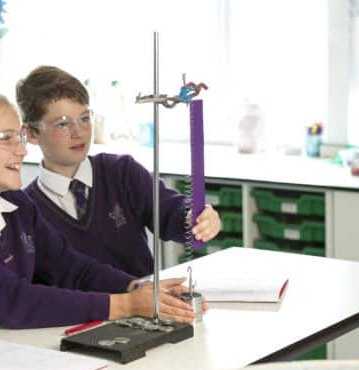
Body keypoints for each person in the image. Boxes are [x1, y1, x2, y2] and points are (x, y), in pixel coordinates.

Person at [0, 91, 196, 352]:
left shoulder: (17, 204)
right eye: (6, 139)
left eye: (20, 137)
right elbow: (12, 302)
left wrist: (137, 288)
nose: (22, 150)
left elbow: (72, 270)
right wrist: (125, 306)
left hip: (13, 349)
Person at [16, 66, 221, 278]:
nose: (79, 132)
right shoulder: (24, 211)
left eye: (85, 118)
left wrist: (195, 217)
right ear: (31, 134)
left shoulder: (122, 172)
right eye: (62, 124)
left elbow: (170, 212)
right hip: (82, 311)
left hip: (146, 307)